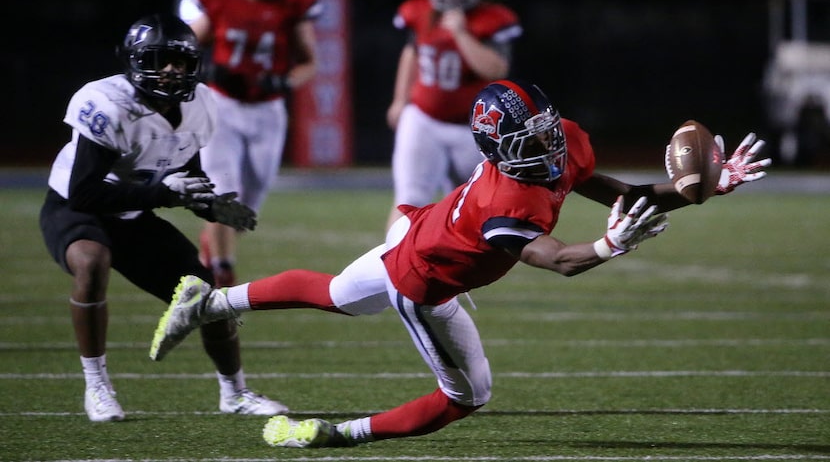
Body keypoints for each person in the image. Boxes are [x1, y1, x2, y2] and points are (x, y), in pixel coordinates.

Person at [149, 79, 771, 447]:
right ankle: (333, 435)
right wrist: (611, 246)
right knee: (467, 397)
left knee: (336, 292)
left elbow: (614, 193)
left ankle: (205, 302)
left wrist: (703, 189)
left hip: (419, 228)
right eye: (532, 141)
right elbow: (557, 260)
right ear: (500, 151)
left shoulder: (564, 144)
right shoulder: (506, 202)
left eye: (549, 130)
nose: (551, 147)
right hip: (424, 279)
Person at [39, 13, 289, 422]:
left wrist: (212, 205)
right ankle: (97, 386)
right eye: (159, 59)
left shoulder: (200, 106)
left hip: (134, 214)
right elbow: (85, 192)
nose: (172, 70)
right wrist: (164, 194)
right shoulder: (107, 103)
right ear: (135, 62)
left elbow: (188, 171)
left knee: (207, 295)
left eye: (181, 61)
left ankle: (235, 393)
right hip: (76, 208)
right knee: (91, 260)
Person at [178, 0, 322, 286]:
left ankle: (212, 245)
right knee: (224, 190)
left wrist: (284, 81)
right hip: (222, 105)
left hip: (267, 110)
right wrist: (204, 69)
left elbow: (309, 62)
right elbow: (184, 46)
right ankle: (222, 270)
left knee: (248, 206)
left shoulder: (293, 2)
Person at [385, 0, 523, 231]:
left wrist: (460, 33)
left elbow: (496, 70)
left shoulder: (491, 18)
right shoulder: (419, 11)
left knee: (477, 202)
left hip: (475, 128)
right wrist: (400, 99)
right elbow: (411, 52)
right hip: (423, 118)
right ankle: (392, 262)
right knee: (409, 199)